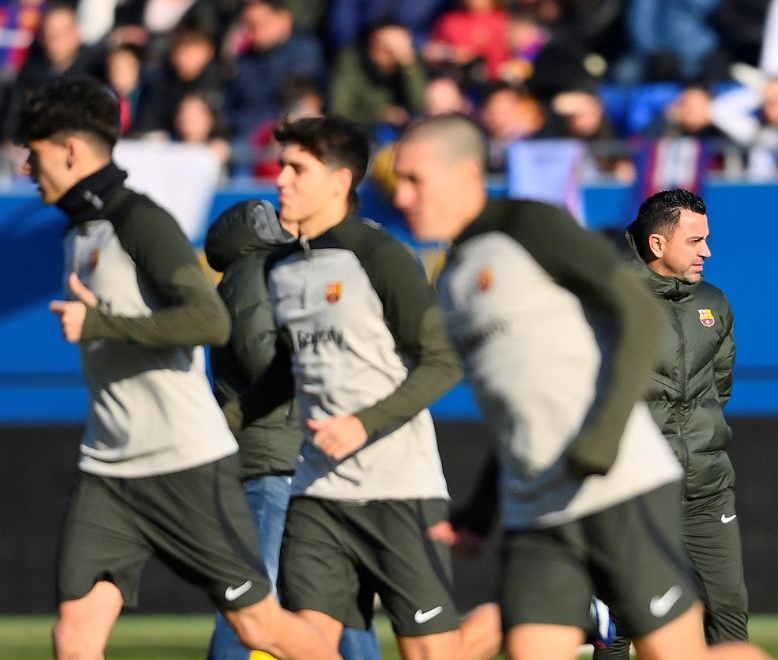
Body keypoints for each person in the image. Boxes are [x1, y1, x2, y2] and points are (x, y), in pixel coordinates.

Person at [391, 113, 769, 660]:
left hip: (619, 487)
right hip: (535, 507)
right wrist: (479, 510)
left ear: (466, 172)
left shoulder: (531, 227)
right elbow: (517, 408)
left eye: (414, 180)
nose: (401, 197)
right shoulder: (453, 278)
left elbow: (639, 314)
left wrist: (602, 439)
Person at [28, 75, 338, 660]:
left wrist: (104, 325)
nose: (25, 165)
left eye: (34, 151)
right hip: (107, 466)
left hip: (185, 462)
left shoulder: (142, 221)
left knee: (259, 629)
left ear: (70, 149)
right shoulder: (78, 231)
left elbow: (209, 321)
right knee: (73, 640)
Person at [227, 114, 500, 660]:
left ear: (339, 181)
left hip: (399, 488)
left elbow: (442, 363)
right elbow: (288, 368)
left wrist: (361, 423)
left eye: (296, 169)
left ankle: (540, 612)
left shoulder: (381, 257)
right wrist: (219, 427)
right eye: (281, 166)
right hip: (318, 492)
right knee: (288, 641)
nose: (280, 180)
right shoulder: (280, 267)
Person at [202, 198, 383, 660]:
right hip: (280, 457)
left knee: (266, 595)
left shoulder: (261, 273)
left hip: (283, 458)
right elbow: (262, 356)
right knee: (311, 592)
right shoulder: (254, 273)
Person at [593, 188, 748, 659]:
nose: (708, 251)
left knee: (728, 612)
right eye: (695, 241)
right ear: (658, 245)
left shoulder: (715, 303)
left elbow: (719, 390)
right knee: (619, 624)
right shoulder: (609, 298)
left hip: (706, 491)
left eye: (707, 240)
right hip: (633, 493)